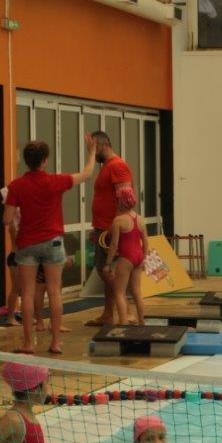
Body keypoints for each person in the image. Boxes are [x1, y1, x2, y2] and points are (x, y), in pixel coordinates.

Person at [2, 135, 96, 354]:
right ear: (45, 160)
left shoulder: (16, 186)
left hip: (27, 244)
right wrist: (91, 153)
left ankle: (28, 343)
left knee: (26, 293)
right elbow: (87, 174)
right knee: (54, 292)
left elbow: (7, 220)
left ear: (27, 161)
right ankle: (55, 342)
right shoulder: (55, 181)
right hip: (53, 243)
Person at [87, 131, 136, 328]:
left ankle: (127, 310)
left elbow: (125, 199)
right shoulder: (107, 166)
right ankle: (108, 314)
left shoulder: (117, 166)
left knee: (104, 269)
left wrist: (115, 227)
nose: (91, 154)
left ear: (103, 145)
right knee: (103, 269)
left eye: (93, 149)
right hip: (103, 227)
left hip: (111, 229)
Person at [106, 186, 149, 327]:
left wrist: (107, 263)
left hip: (126, 258)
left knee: (119, 292)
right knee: (137, 292)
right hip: (139, 257)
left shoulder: (118, 220)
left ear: (120, 202)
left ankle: (123, 324)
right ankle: (142, 322)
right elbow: (146, 242)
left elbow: (114, 245)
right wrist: (144, 259)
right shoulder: (141, 219)